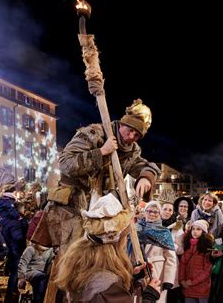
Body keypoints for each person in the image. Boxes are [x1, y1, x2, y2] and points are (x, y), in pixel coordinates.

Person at [37, 99, 160, 251]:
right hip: (72, 207)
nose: (131, 136)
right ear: (122, 123)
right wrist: (101, 152)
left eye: (137, 135)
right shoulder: (94, 134)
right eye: (130, 129)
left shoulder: (132, 151)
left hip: (101, 211)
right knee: (70, 257)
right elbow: (65, 162)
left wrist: (146, 177)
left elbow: (144, 166)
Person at [55, 193, 161, 302]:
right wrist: (150, 296)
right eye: (125, 236)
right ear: (116, 242)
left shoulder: (79, 264)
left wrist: (131, 277)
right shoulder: (107, 285)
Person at [137, 201, 178, 303]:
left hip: (157, 273)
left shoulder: (164, 232)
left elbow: (171, 258)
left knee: (156, 298)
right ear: (145, 212)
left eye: (155, 212)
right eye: (149, 211)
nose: (152, 214)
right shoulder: (136, 229)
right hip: (138, 271)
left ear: (159, 214)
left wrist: (168, 280)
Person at [179, 220, 213, 303]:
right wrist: (182, 280)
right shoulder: (187, 245)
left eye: (198, 229)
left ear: (203, 231)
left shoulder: (207, 248)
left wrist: (192, 282)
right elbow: (182, 264)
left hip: (201, 288)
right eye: (193, 229)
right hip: (187, 287)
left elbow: (207, 271)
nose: (195, 231)